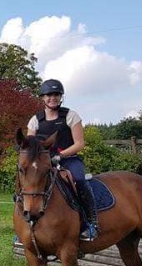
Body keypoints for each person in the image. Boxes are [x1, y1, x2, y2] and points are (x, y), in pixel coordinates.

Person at [27, 79, 98, 240]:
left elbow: (80, 143)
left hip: (69, 160)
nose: (53, 98)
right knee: (26, 184)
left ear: (61, 97)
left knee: (80, 180)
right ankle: (25, 226)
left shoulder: (71, 115)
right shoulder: (35, 120)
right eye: (49, 95)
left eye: (56, 95)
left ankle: (91, 223)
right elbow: (30, 146)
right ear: (43, 98)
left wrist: (60, 156)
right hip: (44, 163)